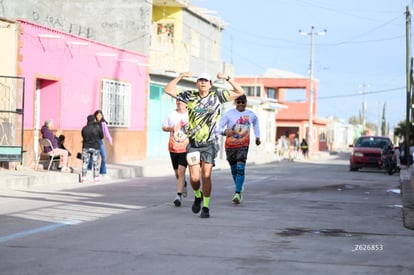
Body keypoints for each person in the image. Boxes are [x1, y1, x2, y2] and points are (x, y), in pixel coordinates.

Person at [164, 72, 245, 218]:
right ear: (196, 83)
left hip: (209, 144)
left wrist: (227, 78)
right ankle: (197, 195)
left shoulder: (217, 96)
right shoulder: (190, 96)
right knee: (195, 179)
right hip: (194, 144)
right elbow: (168, 89)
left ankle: (206, 207)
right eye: (200, 80)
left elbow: (240, 92)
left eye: (206, 81)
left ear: (210, 84)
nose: (203, 83)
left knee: (206, 176)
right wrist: (181, 76)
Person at [219, 94, 261, 204]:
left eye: (243, 102)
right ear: (235, 103)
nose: (241, 104)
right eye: (238, 102)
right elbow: (218, 128)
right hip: (230, 145)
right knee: (234, 169)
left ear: (246, 103)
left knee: (240, 167)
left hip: (243, 145)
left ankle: (237, 193)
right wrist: (224, 132)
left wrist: (257, 137)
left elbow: (256, 125)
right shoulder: (228, 114)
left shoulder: (251, 114)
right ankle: (239, 186)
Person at [162, 99, 189, 207]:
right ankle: (183, 184)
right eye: (177, 100)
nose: (179, 103)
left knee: (182, 171)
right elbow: (163, 127)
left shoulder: (190, 115)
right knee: (177, 173)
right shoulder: (171, 114)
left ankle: (178, 196)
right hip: (173, 147)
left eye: (182, 101)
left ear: (187, 104)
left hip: (186, 148)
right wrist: (171, 128)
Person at [88, 110, 112, 177]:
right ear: (95, 116)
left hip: (100, 141)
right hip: (93, 141)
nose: (99, 116)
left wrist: (110, 139)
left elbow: (106, 132)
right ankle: (89, 168)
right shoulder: (93, 123)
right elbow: (89, 131)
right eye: (98, 115)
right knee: (91, 155)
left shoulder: (103, 123)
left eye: (100, 115)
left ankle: (103, 172)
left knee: (104, 157)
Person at [81, 115, 104, 183]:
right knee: (95, 163)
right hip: (95, 147)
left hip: (86, 147)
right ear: (94, 120)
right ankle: (96, 178)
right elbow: (101, 136)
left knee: (85, 162)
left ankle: (84, 178)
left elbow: (83, 135)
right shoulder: (97, 127)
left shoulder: (84, 128)